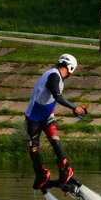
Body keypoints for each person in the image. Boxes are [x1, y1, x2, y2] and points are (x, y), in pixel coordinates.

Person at [25, 53, 87, 192]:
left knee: (54, 138)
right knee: (33, 148)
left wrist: (73, 109)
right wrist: (74, 107)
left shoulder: (56, 76)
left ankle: (65, 169)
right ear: (70, 68)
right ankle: (42, 174)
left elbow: (53, 98)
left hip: (47, 115)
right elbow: (57, 96)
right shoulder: (53, 75)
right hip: (34, 117)